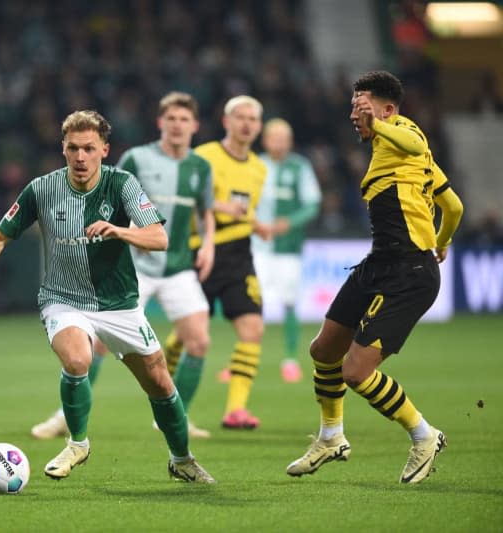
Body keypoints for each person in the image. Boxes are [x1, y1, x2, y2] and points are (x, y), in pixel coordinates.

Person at [0, 110, 215, 483]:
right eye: (72, 148)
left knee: (160, 383)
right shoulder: (42, 188)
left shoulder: (123, 184)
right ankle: (78, 443)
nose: (80, 157)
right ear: (63, 149)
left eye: (89, 148)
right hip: (64, 297)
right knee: (77, 360)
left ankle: (182, 459)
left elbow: (159, 238)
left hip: (119, 302)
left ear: (104, 150)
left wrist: (121, 232)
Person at [286, 70, 463, 483]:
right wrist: (445, 239)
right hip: (379, 263)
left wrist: (381, 123)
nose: (354, 115)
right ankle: (331, 437)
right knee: (324, 350)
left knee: (356, 372)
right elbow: (453, 206)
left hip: (409, 272)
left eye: (361, 106)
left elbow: (416, 142)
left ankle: (424, 435)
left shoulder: (403, 132)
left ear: (386, 108)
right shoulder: (405, 156)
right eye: (352, 106)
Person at [30, 92, 216, 440]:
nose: (177, 126)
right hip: (134, 266)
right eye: (171, 119)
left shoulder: (200, 166)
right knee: (95, 345)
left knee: (199, 341)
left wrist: (208, 245)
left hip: (177, 267)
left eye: (184, 120)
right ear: (161, 123)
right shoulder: (138, 158)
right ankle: (63, 417)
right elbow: (109, 194)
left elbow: (206, 210)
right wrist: (127, 235)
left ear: (195, 125)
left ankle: (176, 418)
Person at [165, 95, 271, 429]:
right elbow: (185, 200)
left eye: (253, 119)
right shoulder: (204, 157)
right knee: (188, 334)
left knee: (252, 328)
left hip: (240, 254)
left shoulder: (259, 167)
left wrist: (256, 224)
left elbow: (245, 209)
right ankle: (162, 380)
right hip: (203, 251)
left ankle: (236, 409)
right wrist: (220, 207)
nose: (246, 124)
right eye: (240, 117)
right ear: (226, 121)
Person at [252, 118, 322, 383]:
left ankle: (290, 358)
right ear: (265, 140)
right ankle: (247, 357)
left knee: (289, 302)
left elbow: (313, 205)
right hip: (257, 245)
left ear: (290, 141)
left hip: (288, 249)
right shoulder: (255, 165)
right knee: (251, 302)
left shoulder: (300, 167)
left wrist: (289, 223)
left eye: (284, 137)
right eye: (275, 137)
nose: (279, 142)